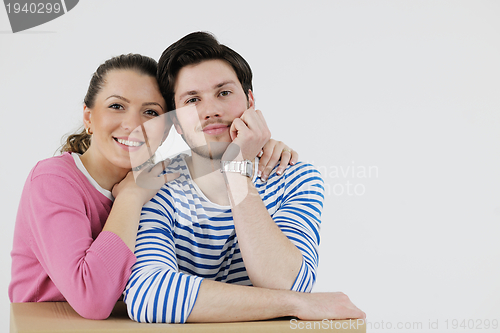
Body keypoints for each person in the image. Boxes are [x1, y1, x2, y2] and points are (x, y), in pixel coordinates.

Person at [8, 53, 298, 320]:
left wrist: (255, 148)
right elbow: (92, 299)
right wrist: (131, 196)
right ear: (88, 117)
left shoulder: (158, 176)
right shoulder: (53, 180)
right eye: (116, 106)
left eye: (150, 113)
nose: (133, 124)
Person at [124, 32, 365, 324]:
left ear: (250, 100)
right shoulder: (157, 184)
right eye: (192, 101)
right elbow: (149, 297)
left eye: (224, 93)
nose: (211, 110)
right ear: (176, 122)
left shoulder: (297, 178)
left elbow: (287, 282)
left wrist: (235, 168)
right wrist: (298, 304)